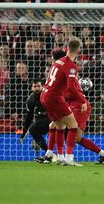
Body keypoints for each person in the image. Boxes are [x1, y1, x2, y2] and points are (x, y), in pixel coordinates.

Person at [40, 38, 83, 166]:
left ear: (67, 48)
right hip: (54, 98)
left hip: (44, 95)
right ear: (79, 50)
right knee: (73, 126)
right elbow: (71, 87)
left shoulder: (59, 61)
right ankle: (69, 159)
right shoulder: (71, 65)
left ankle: (60, 157)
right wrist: (82, 101)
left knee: (60, 126)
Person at [19, 79, 51, 155]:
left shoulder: (48, 95)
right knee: (33, 129)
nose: (36, 88)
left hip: (55, 118)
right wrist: (24, 132)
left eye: (38, 86)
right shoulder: (30, 100)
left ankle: (67, 154)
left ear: (43, 87)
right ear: (31, 88)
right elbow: (29, 117)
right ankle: (48, 152)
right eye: (34, 86)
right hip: (42, 121)